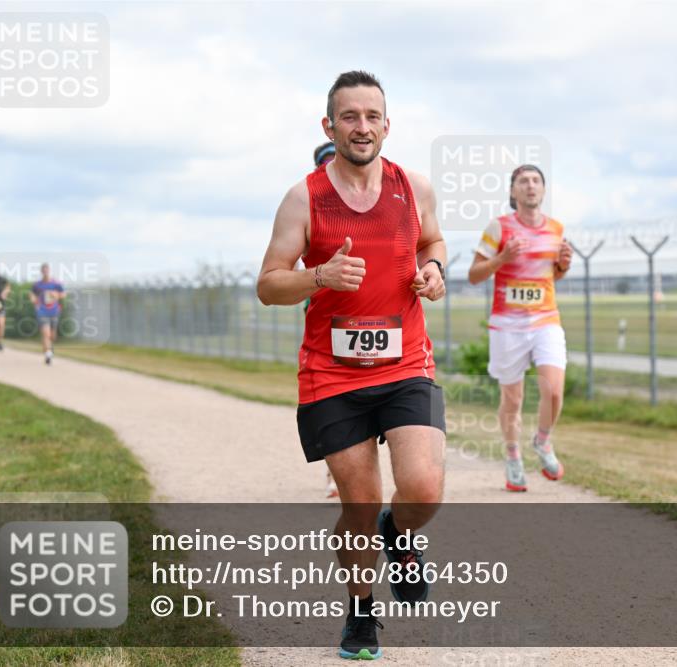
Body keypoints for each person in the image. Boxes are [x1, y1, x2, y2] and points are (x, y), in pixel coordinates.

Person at [258, 71, 447, 660]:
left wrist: (435, 270)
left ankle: (400, 531)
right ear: (329, 126)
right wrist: (319, 276)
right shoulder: (304, 198)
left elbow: (433, 242)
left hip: (405, 362)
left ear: (387, 126)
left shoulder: (414, 188)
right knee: (358, 506)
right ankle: (361, 613)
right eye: (349, 116)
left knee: (424, 488)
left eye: (372, 116)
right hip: (333, 375)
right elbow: (269, 284)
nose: (361, 127)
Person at [468, 165, 573, 492]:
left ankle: (542, 441)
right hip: (507, 325)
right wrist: (502, 258)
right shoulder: (499, 227)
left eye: (536, 180)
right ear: (513, 191)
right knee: (512, 399)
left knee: (554, 390)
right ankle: (513, 456)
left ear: (543, 189)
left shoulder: (556, 228)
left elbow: (551, 276)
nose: (530, 185)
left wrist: (563, 266)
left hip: (545, 320)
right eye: (523, 181)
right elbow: (474, 275)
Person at [312, 141, 342, 499]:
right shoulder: (308, 205)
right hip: (325, 320)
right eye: (326, 163)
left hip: (371, 319)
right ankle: (335, 470)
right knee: (336, 396)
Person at [29, 263, 65, 365]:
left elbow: (63, 294)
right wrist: (33, 300)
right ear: (41, 271)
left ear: (49, 271)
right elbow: (31, 294)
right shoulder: (37, 284)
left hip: (54, 311)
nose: (45, 272)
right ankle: (48, 354)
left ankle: (50, 347)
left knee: (52, 335)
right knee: (46, 333)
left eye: (47, 270)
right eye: (43, 270)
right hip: (42, 311)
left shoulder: (56, 283)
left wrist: (56, 295)